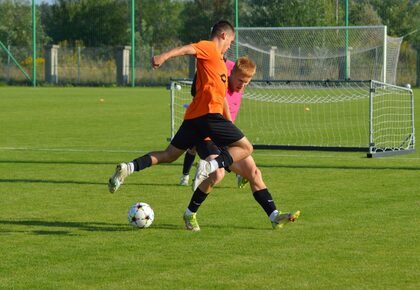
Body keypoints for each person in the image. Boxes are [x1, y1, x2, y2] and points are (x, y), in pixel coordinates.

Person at [108, 20, 253, 194]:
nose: (230, 46)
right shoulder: (209, 47)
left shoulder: (219, 63)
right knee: (245, 148)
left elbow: (220, 97)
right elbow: (186, 49)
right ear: (223, 35)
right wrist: (163, 56)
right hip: (208, 116)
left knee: (169, 155)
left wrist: (229, 123)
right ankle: (208, 169)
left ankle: (128, 167)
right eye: (230, 41)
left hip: (194, 117)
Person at [182, 58, 300, 231]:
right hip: (206, 137)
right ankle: (189, 214)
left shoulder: (239, 77)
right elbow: (214, 59)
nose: (242, 85)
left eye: (247, 82)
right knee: (217, 175)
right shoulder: (221, 81)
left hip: (227, 138)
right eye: (240, 81)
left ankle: (274, 216)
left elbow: (230, 62)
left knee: (254, 172)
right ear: (231, 74)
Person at [179, 58, 248, 189]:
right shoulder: (216, 71)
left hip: (213, 124)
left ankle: (238, 174)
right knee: (193, 148)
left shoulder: (232, 69)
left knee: (227, 154)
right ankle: (186, 175)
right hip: (205, 121)